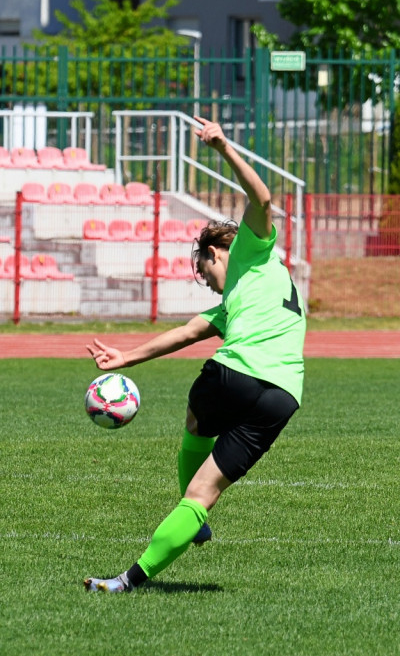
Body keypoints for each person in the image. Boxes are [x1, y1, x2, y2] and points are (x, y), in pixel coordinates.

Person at [82, 116, 306, 592]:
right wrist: (127, 359)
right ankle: (126, 581)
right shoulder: (254, 289)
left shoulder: (253, 250)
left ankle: (187, 518)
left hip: (235, 375)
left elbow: (263, 199)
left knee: (195, 417)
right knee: (203, 495)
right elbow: (187, 332)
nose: (203, 279)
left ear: (214, 252)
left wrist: (223, 146)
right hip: (283, 397)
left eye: (202, 270)